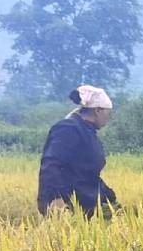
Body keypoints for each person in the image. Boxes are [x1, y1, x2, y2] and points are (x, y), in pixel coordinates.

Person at [38, 85, 118, 216]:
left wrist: (109, 196)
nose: (108, 118)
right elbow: (52, 164)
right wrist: (56, 198)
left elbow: (87, 174)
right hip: (69, 202)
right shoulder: (67, 129)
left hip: (88, 198)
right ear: (98, 110)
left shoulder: (87, 131)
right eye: (108, 113)